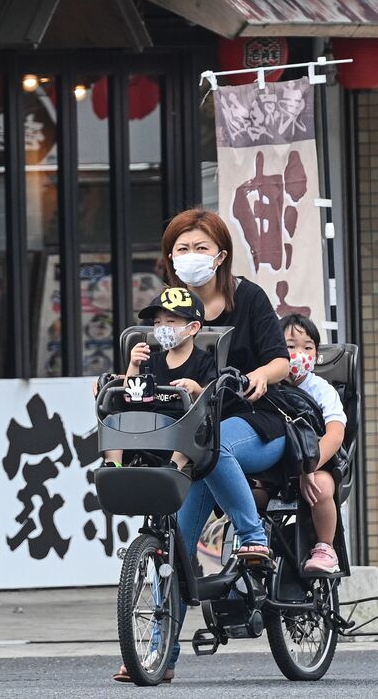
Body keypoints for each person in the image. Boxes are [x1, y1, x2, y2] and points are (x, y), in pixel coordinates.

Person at [115, 209, 290, 685]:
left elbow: (280, 359)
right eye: (182, 249)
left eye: (200, 248)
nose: (191, 257)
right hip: (189, 438)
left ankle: (253, 538)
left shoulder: (248, 299)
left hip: (255, 423)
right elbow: (144, 379)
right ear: (170, 258)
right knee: (174, 543)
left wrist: (258, 375)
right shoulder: (169, 311)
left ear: (221, 255)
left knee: (216, 447)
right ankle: (156, 656)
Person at [98, 286, 218, 473]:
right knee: (115, 418)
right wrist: (134, 365)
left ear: (193, 327)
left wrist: (195, 388)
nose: (162, 328)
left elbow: (210, 396)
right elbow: (130, 397)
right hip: (147, 426)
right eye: (157, 322)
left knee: (195, 427)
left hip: (181, 427)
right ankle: (114, 465)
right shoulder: (151, 359)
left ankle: (174, 467)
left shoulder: (203, 360)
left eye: (170, 321)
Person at [281, 314, 346, 576]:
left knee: (319, 487)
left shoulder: (322, 390)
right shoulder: (267, 386)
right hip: (276, 468)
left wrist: (307, 467)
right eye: (290, 346)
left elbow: (335, 435)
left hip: (318, 464)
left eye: (307, 347)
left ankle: (325, 548)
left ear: (317, 354)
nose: (299, 353)